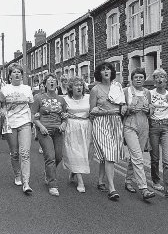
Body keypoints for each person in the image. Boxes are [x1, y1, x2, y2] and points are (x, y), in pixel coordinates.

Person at [90, 62, 126, 201]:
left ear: (112, 72)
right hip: (101, 123)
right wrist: (101, 111)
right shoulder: (95, 90)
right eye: (103, 70)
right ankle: (112, 188)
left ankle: (100, 181)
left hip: (115, 123)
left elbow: (123, 104)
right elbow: (91, 111)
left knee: (107, 154)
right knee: (110, 153)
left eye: (108, 69)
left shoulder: (117, 87)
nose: (106, 72)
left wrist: (124, 107)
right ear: (99, 73)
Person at [122, 68, 155, 200]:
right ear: (132, 79)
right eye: (136, 77)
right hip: (130, 125)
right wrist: (128, 109)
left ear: (144, 79)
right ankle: (144, 188)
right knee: (138, 157)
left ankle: (128, 181)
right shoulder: (126, 91)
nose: (139, 79)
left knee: (137, 155)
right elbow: (121, 109)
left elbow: (151, 108)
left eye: (141, 77)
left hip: (144, 125)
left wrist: (149, 110)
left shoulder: (147, 92)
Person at [1, 63, 34, 194]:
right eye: (14, 72)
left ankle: (26, 182)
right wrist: (3, 111)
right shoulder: (5, 89)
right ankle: (17, 175)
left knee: (25, 153)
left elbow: (31, 105)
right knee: (14, 153)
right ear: (10, 76)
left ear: (21, 75)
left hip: (24, 122)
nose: (17, 74)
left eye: (19, 72)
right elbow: (1, 105)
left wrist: (32, 121)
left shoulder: (27, 88)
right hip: (10, 123)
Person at [33, 73, 67, 196]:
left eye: (54, 81)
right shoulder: (39, 98)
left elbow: (64, 116)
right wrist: (40, 126)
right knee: (50, 157)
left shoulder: (61, 100)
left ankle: (48, 171)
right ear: (45, 84)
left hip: (58, 131)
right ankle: (52, 185)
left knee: (59, 157)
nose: (52, 82)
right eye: (49, 81)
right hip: (44, 131)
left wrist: (64, 124)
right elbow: (34, 116)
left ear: (56, 84)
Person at [63, 76, 92, 193]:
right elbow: (60, 112)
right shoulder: (66, 99)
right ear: (71, 88)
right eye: (76, 85)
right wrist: (63, 116)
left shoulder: (89, 98)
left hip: (86, 126)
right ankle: (80, 181)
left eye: (81, 85)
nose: (79, 87)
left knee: (86, 153)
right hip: (72, 127)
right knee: (75, 152)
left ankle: (74, 171)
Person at [149, 68, 168, 196]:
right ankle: (156, 181)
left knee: (166, 159)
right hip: (153, 127)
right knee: (155, 158)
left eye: (162, 77)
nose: (160, 79)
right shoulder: (150, 93)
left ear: (166, 79)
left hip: (166, 126)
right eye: (157, 77)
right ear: (154, 81)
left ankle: (167, 186)